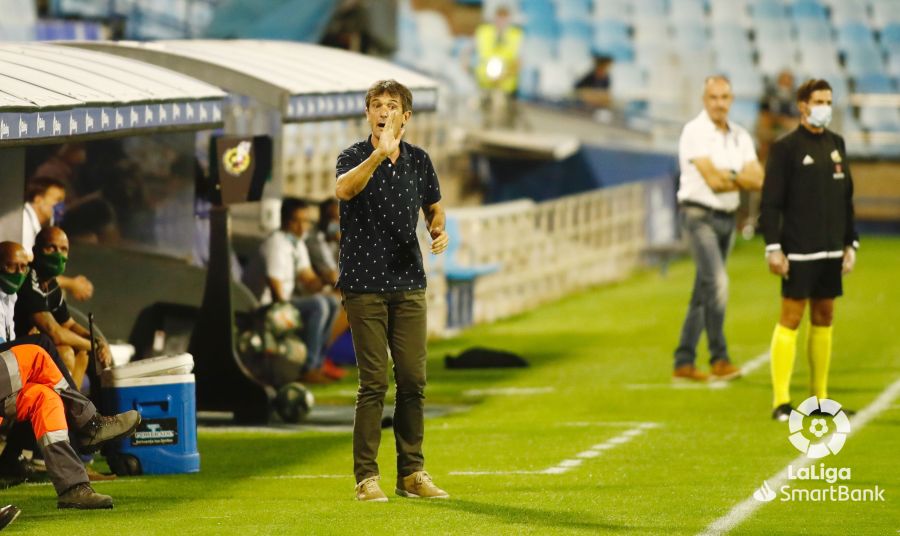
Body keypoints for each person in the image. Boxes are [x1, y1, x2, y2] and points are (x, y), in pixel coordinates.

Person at [335, 79, 450, 501]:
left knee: (414, 380)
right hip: (364, 285)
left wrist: (438, 229)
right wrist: (378, 155)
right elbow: (344, 189)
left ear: (407, 115)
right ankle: (366, 478)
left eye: (392, 105)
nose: (384, 111)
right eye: (377, 105)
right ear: (368, 113)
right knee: (373, 382)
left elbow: (434, 207)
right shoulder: (352, 157)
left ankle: (411, 474)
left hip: (408, 282)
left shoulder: (419, 161)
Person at [0, 242, 140, 508]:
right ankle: (89, 424)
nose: (18, 272)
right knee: (40, 349)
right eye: (11, 266)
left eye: (22, 267)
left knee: (45, 397)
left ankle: (73, 487)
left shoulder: (11, 296)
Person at [760, 79, 858, 421]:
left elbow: (846, 198)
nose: (824, 107)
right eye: (818, 100)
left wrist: (851, 242)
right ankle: (781, 401)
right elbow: (770, 203)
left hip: (831, 250)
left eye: (828, 100)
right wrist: (773, 247)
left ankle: (821, 399)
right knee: (791, 317)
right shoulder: (785, 148)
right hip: (798, 249)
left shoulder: (837, 144)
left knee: (825, 316)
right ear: (802, 105)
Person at [673, 76, 764, 382]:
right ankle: (719, 358)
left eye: (724, 97)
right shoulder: (694, 132)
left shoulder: (739, 135)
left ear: (732, 99)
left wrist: (730, 174)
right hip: (699, 215)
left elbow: (759, 179)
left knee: (705, 290)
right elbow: (713, 180)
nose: (719, 103)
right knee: (718, 285)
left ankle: (683, 361)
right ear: (704, 99)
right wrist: (739, 176)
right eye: (713, 97)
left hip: (727, 217)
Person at [242, 198, 340, 384]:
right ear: (286, 221)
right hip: (263, 308)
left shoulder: (297, 244)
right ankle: (306, 367)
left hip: (282, 302)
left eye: (307, 221)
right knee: (318, 305)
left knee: (331, 302)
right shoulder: (276, 245)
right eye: (299, 221)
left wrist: (326, 280)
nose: (303, 226)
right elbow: (277, 293)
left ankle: (317, 364)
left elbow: (309, 280)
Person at [15, 228, 113, 390]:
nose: (58, 254)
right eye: (51, 248)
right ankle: (69, 411)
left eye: (63, 249)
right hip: (11, 350)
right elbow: (56, 333)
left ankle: (75, 411)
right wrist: (94, 347)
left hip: (32, 350)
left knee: (82, 354)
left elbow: (69, 324)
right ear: (36, 250)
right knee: (66, 352)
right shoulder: (27, 280)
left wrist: (98, 341)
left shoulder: (52, 284)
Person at [23, 176, 94, 301]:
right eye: (58, 200)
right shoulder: (23, 221)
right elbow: (27, 271)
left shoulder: (43, 225)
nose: (61, 207)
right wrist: (70, 284)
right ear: (39, 199)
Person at [474, 6, 523, 128]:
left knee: (505, 108)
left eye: (504, 19)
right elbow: (481, 53)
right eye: (499, 19)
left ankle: (507, 126)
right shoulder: (484, 32)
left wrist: (506, 73)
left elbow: (517, 59)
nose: (501, 22)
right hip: (486, 78)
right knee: (484, 106)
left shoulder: (516, 34)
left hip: (507, 78)